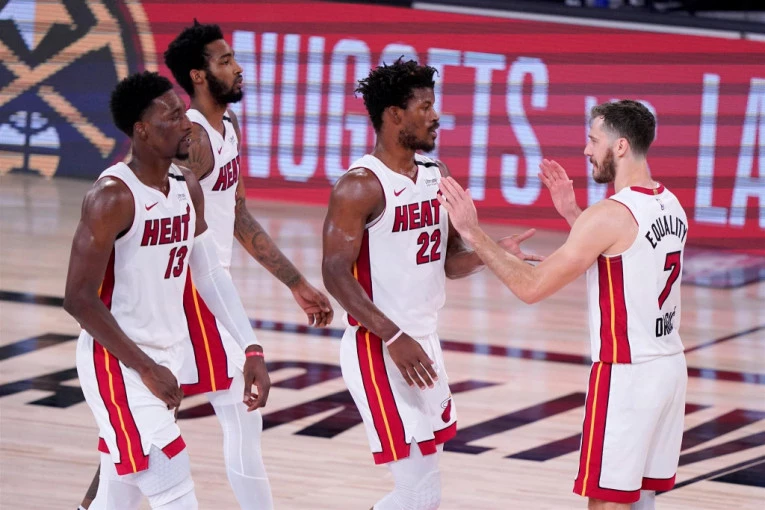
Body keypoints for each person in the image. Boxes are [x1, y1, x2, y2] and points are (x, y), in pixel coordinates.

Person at [438, 100, 688, 510]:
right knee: (641, 498)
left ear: (620, 146)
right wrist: (574, 214)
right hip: (669, 368)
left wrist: (472, 232)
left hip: (627, 375)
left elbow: (531, 287)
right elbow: (623, 257)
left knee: (607, 503)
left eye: (593, 140)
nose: (587, 150)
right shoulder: (669, 202)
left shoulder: (609, 215)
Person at [321, 58, 541, 510]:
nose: (436, 115)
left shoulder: (436, 174)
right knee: (420, 492)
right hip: (378, 345)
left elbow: (449, 264)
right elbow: (334, 272)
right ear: (394, 115)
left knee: (421, 492)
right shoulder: (360, 186)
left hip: (423, 340)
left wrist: (492, 251)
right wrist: (393, 336)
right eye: (424, 107)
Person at [65, 71, 271, 509]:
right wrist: (145, 368)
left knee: (116, 499)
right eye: (173, 116)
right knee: (173, 486)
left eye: (183, 114)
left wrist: (250, 347)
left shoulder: (186, 186)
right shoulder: (112, 196)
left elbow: (210, 274)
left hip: (164, 357)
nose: (186, 125)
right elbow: (78, 298)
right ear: (142, 130)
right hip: (118, 364)